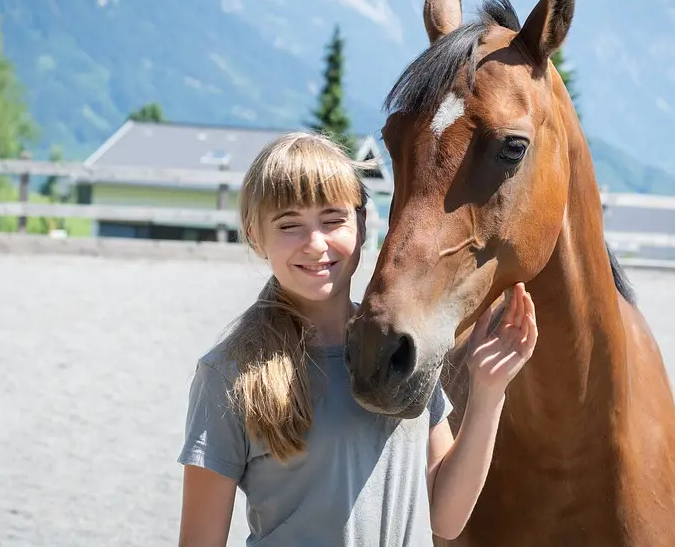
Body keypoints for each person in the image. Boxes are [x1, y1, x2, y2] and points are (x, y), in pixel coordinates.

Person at [176, 131, 539, 546]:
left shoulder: (403, 348)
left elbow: (446, 517)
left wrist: (489, 392)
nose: (316, 244)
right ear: (255, 236)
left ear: (363, 224)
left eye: (333, 219)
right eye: (289, 224)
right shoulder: (228, 373)